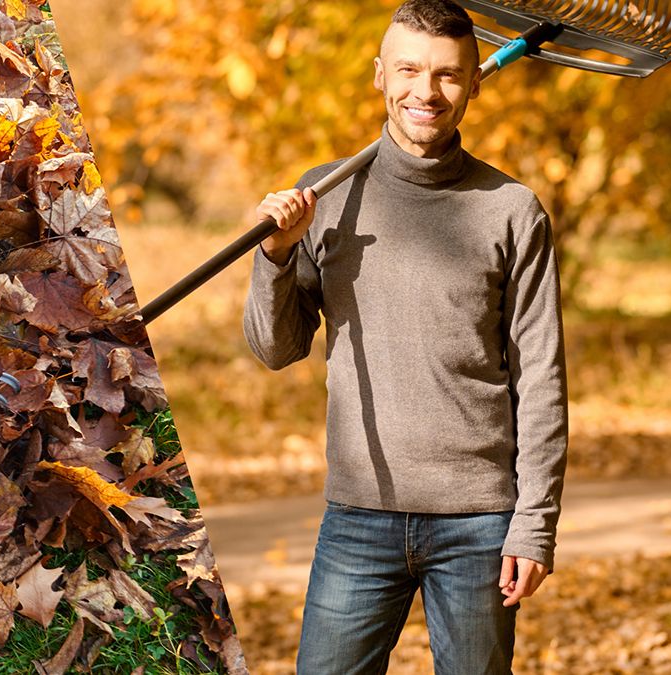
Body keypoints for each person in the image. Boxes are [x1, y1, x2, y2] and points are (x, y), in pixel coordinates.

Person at [242, 0, 568, 672]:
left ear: (475, 83)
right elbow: (275, 349)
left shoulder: (511, 210)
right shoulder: (325, 196)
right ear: (379, 75)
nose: (427, 91)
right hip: (359, 517)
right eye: (410, 70)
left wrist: (533, 525)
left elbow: (541, 379)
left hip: (480, 523)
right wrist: (274, 255)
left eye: (448, 75)